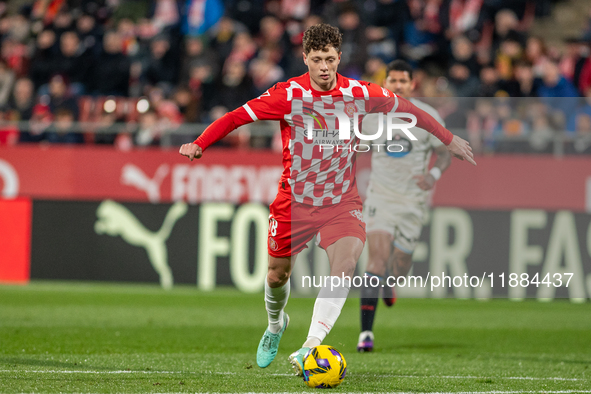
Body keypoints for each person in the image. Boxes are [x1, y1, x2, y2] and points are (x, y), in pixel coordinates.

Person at [179, 23, 475, 377]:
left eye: (330, 59)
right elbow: (236, 117)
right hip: (295, 201)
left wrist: (448, 139)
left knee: (346, 264)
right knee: (276, 275)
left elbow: (410, 109)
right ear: (305, 58)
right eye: (316, 59)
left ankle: (310, 345)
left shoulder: (358, 92)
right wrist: (200, 142)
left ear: (339, 58)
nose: (323, 67)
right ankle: (276, 325)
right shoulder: (287, 95)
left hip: (341, 201)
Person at [357, 60, 452, 353]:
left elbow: (445, 152)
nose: (397, 86)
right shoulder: (372, 116)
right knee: (376, 259)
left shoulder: (428, 115)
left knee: (400, 267)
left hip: (413, 201)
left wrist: (433, 175)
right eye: (392, 81)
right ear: (385, 83)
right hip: (381, 197)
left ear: (413, 84)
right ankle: (365, 335)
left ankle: (390, 282)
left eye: (403, 81)